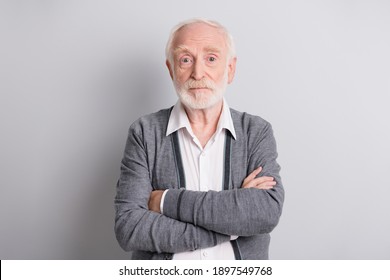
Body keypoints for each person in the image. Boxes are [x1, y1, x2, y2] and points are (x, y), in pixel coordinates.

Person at [115, 18, 284, 260]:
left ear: (230, 69)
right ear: (171, 69)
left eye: (211, 59)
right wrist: (231, 226)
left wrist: (165, 201)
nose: (197, 73)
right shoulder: (144, 132)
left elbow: (265, 212)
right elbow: (129, 228)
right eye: (185, 60)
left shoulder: (256, 131)